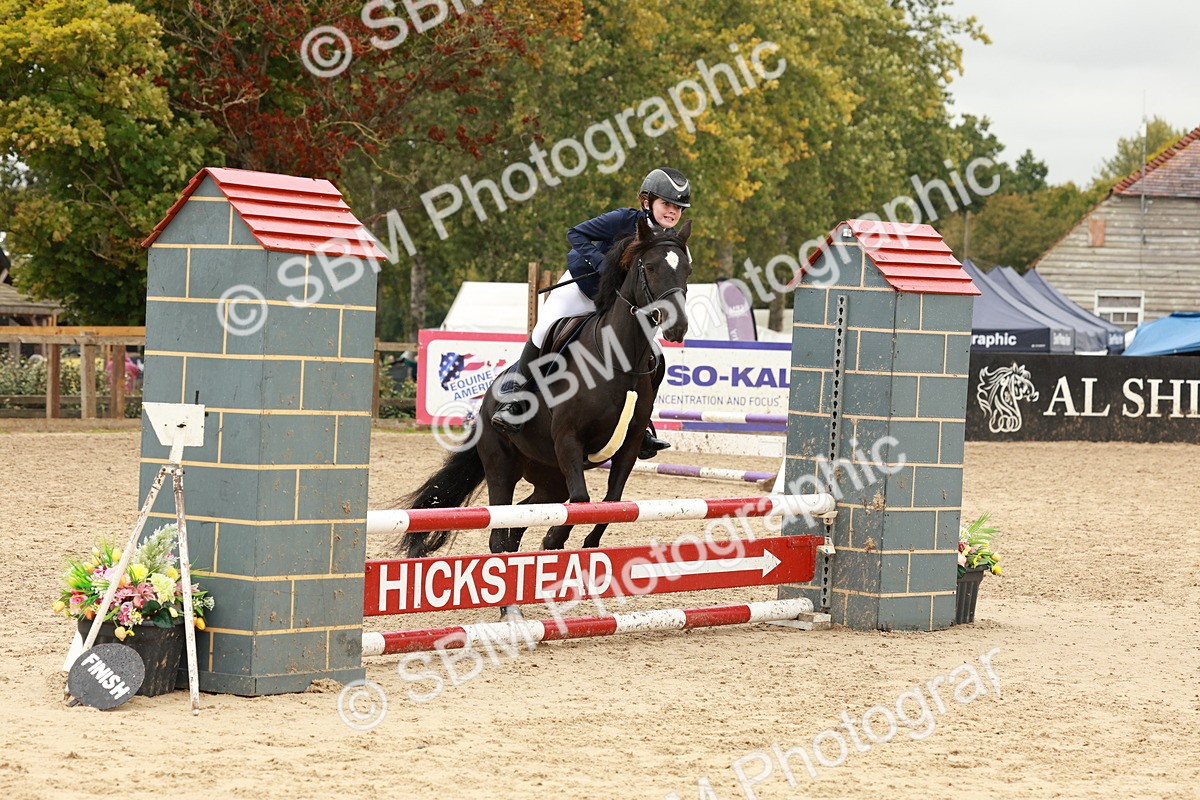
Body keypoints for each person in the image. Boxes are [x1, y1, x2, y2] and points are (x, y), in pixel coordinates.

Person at [490, 167, 692, 459]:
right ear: (647, 202)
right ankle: (514, 401)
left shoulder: (671, 242)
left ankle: (642, 424)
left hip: (619, 305)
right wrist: (604, 266)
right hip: (584, 288)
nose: (673, 212)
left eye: (678, 207)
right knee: (545, 329)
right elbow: (576, 233)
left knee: (654, 354)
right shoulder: (624, 219)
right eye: (667, 204)